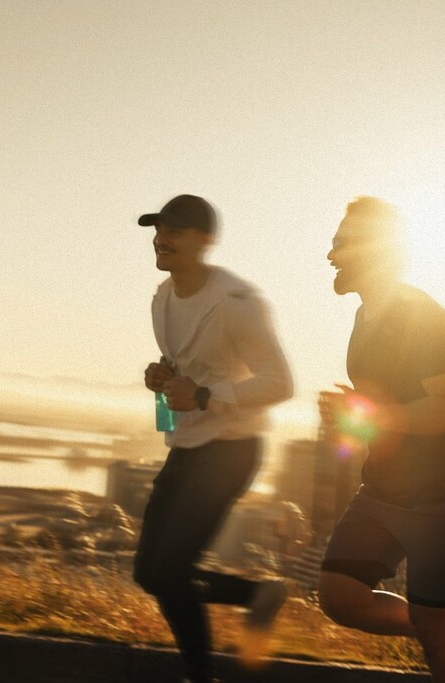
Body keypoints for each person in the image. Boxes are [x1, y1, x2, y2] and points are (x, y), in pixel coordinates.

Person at [316, 196, 445, 683]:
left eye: (340, 244)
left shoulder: (422, 315)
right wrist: (352, 414)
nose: (330, 255)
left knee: (432, 626)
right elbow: (385, 410)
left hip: (440, 493)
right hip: (385, 488)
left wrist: (371, 414)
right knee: (339, 595)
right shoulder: (365, 318)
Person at [132, 194, 294, 683]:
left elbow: (280, 384)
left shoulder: (236, 304)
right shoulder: (162, 298)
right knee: (149, 573)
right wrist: (163, 383)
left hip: (232, 449)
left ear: (205, 241)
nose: (161, 239)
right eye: (158, 230)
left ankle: (202, 676)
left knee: (170, 573)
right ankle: (259, 596)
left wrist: (204, 396)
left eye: (174, 232)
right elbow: (181, 379)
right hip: (187, 446)